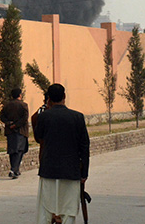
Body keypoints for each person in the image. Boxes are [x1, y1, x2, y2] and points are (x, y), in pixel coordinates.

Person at [33, 84, 90, 224]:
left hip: (49, 169)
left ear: (49, 99)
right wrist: (84, 173)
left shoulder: (44, 117)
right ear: (65, 96)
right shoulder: (77, 117)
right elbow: (84, 146)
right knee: (68, 210)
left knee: (45, 209)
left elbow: (38, 136)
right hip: (71, 170)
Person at [0, 88, 29, 178]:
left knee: (12, 150)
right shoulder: (23, 105)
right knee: (19, 150)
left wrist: (9, 123)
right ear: (20, 95)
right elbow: (25, 118)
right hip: (21, 131)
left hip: (10, 131)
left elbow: (2, 116)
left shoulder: (7, 105)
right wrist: (16, 125)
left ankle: (15, 169)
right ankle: (14, 169)